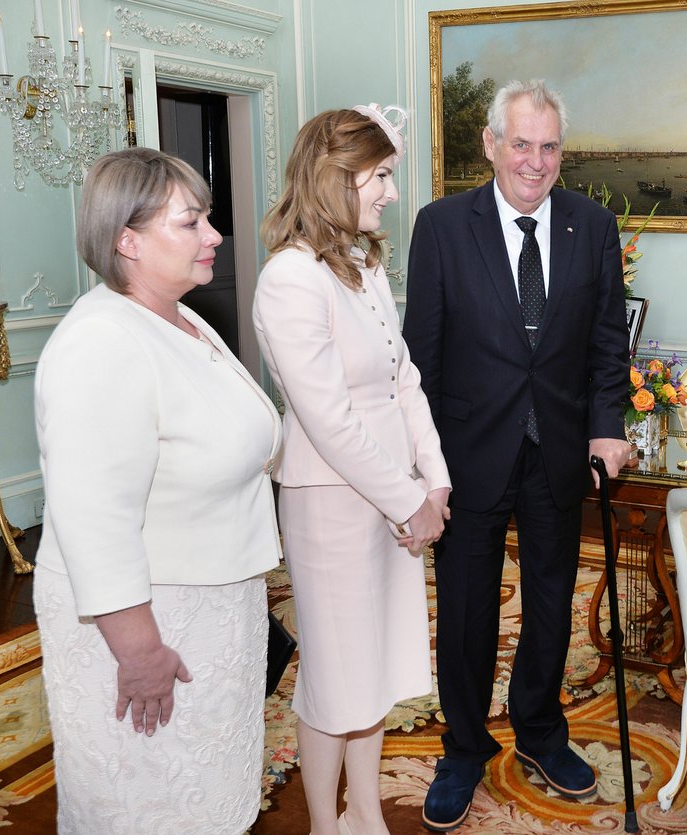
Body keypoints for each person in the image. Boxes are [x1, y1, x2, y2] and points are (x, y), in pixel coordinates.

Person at [403, 79, 632, 832]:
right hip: (468, 453)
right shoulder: (441, 226)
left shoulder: (592, 226)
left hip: (560, 449)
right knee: (466, 611)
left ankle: (538, 728)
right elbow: (421, 356)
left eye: (550, 146)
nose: (536, 161)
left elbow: (606, 344)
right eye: (522, 144)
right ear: (491, 145)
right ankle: (463, 746)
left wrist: (608, 425)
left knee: (549, 603)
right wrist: (424, 463)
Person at [32, 147, 283, 834]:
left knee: (204, 792)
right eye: (191, 222)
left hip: (209, 605)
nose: (214, 236)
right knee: (148, 803)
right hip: (151, 620)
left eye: (207, 219)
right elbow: (94, 520)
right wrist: (140, 653)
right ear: (127, 240)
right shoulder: (102, 343)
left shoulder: (179, 317)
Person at [253, 105, 451, 835]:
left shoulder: (363, 263)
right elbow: (328, 417)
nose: (391, 194)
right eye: (383, 176)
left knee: (373, 666)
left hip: (392, 494)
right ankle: (324, 824)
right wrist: (410, 500)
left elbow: (404, 377)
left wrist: (435, 479)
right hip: (332, 502)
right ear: (339, 178)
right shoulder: (290, 278)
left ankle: (365, 811)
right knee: (336, 678)